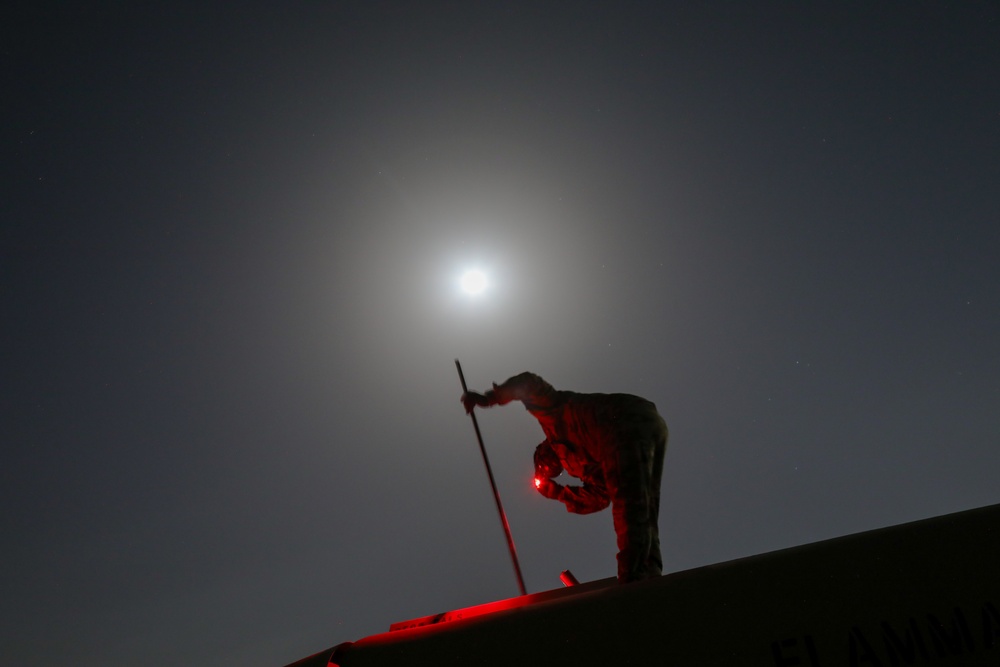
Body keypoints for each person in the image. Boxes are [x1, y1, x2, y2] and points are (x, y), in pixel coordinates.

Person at [462, 371, 668, 583]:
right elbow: (600, 496)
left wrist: (490, 398)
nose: (549, 469)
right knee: (643, 506)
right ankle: (648, 573)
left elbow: (529, 384)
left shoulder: (554, 418)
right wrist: (557, 492)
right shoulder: (581, 463)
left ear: (545, 449)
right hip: (647, 424)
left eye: (544, 465)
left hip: (621, 420)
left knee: (630, 504)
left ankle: (634, 577)